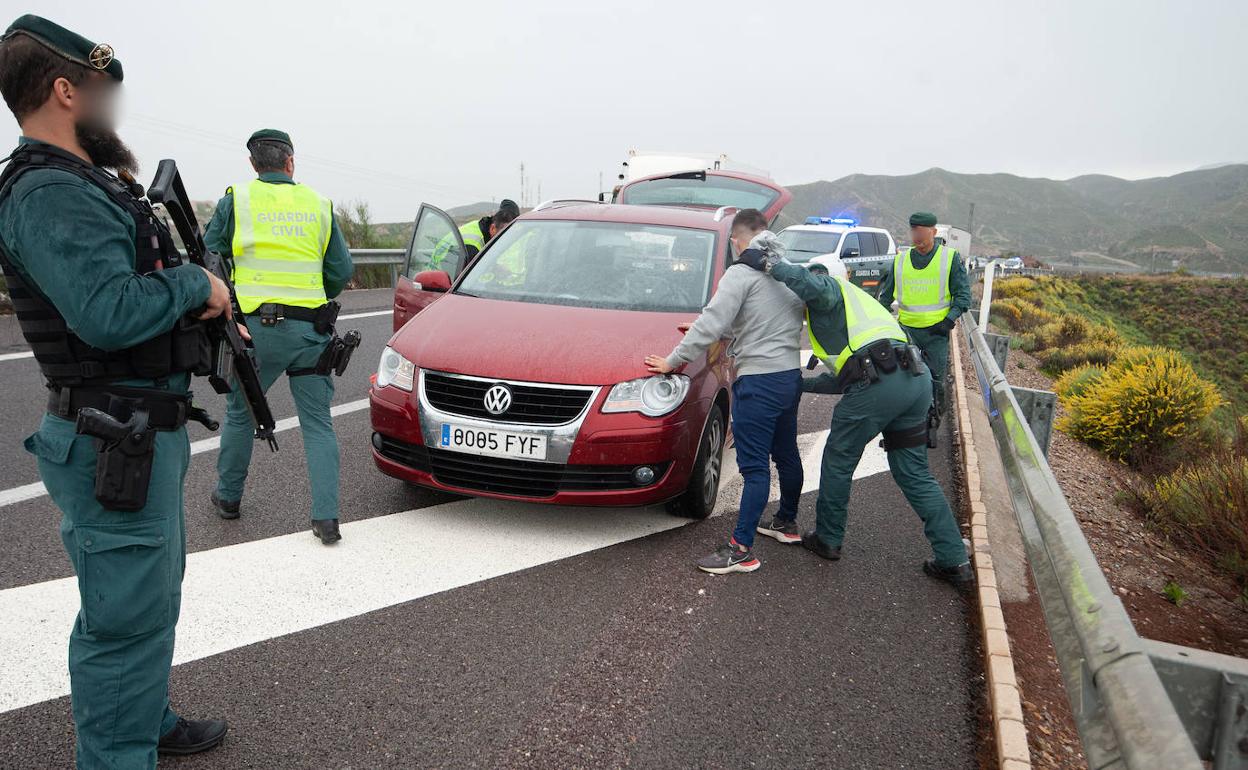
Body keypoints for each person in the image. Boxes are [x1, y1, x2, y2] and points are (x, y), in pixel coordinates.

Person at [0, 15, 230, 764]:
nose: (113, 110)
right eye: (103, 93)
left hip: (134, 428)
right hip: (114, 439)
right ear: (66, 91)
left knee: (146, 599)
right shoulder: (48, 192)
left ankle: (147, 717)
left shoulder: (82, 183)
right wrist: (197, 282)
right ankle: (118, 753)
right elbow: (105, 313)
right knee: (122, 620)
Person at [736, 240, 974, 585]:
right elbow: (848, 377)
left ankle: (828, 538)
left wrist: (773, 264)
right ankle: (953, 558)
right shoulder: (861, 306)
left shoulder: (830, 288)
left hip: (878, 384)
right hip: (913, 382)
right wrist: (801, 384)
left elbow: (815, 286)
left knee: (838, 459)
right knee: (914, 473)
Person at [204, 129, 353, 544]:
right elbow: (340, 271)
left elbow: (209, 255)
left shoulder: (239, 199)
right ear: (291, 162)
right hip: (312, 331)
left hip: (258, 331)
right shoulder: (319, 205)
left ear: (254, 165)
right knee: (318, 423)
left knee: (241, 412)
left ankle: (228, 499)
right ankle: (327, 519)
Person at [644, 209, 805, 574]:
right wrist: (712, 326)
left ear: (737, 239)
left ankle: (741, 549)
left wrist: (673, 360)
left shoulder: (741, 272)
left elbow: (713, 323)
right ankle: (786, 523)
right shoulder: (788, 271)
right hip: (788, 377)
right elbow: (762, 320)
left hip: (759, 382)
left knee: (754, 467)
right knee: (786, 452)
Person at [875, 212, 971, 414]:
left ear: (933, 232)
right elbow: (884, 299)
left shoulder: (949, 258)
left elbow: (963, 296)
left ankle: (935, 415)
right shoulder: (900, 261)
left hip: (936, 333)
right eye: (914, 231)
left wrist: (948, 321)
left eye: (921, 231)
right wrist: (885, 323)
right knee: (903, 378)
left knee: (936, 380)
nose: (917, 236)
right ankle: (906, 416)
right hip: (906, 332)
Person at [430, 198, 520, 272]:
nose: (506, 240)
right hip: (437, 288)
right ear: (492, 228)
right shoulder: (471, 245)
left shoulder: (484, 228)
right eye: (504, 235)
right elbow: (464, 281)